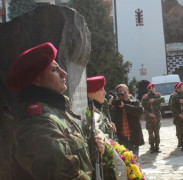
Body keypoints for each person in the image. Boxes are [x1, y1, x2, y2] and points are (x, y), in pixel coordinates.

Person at [6, 42, 106, 179]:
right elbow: (65, 175)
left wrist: (91, 146)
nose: (64, 73)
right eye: (54, 70)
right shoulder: (37, 123)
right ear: (37, 80)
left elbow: (67, 151)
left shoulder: (56, 111)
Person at [85, 76, 127, 180]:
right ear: (90, 94)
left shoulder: (99, 110)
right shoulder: (91, 114)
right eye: (101, 90)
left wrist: (109, 124)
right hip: (105, 167)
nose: (104, 93)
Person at [110, 84, 144, 156]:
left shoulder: (134, 102)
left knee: (134, 163)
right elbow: (110, 117)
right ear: (118, 94)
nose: (124, 94)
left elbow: (139, 111)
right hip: (122, 140)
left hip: (133, 138)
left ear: (128, 92)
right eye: (121, 93)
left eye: (125, 92)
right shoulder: (115, 105)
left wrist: (124, 106)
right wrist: (110, 105)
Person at [141, 83, 164, 153]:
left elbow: (162, 100)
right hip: (149, 119)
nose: (152, 89)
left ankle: (157, 147)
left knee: (157, 133)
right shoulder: (145, 98)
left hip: (157, 118)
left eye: (153, 88)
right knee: (150, 134)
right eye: (150, 88)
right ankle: (152, 147)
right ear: (148, 89)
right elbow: (142, 108)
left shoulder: (157, 96)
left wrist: (154, 101)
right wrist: (149, 114)